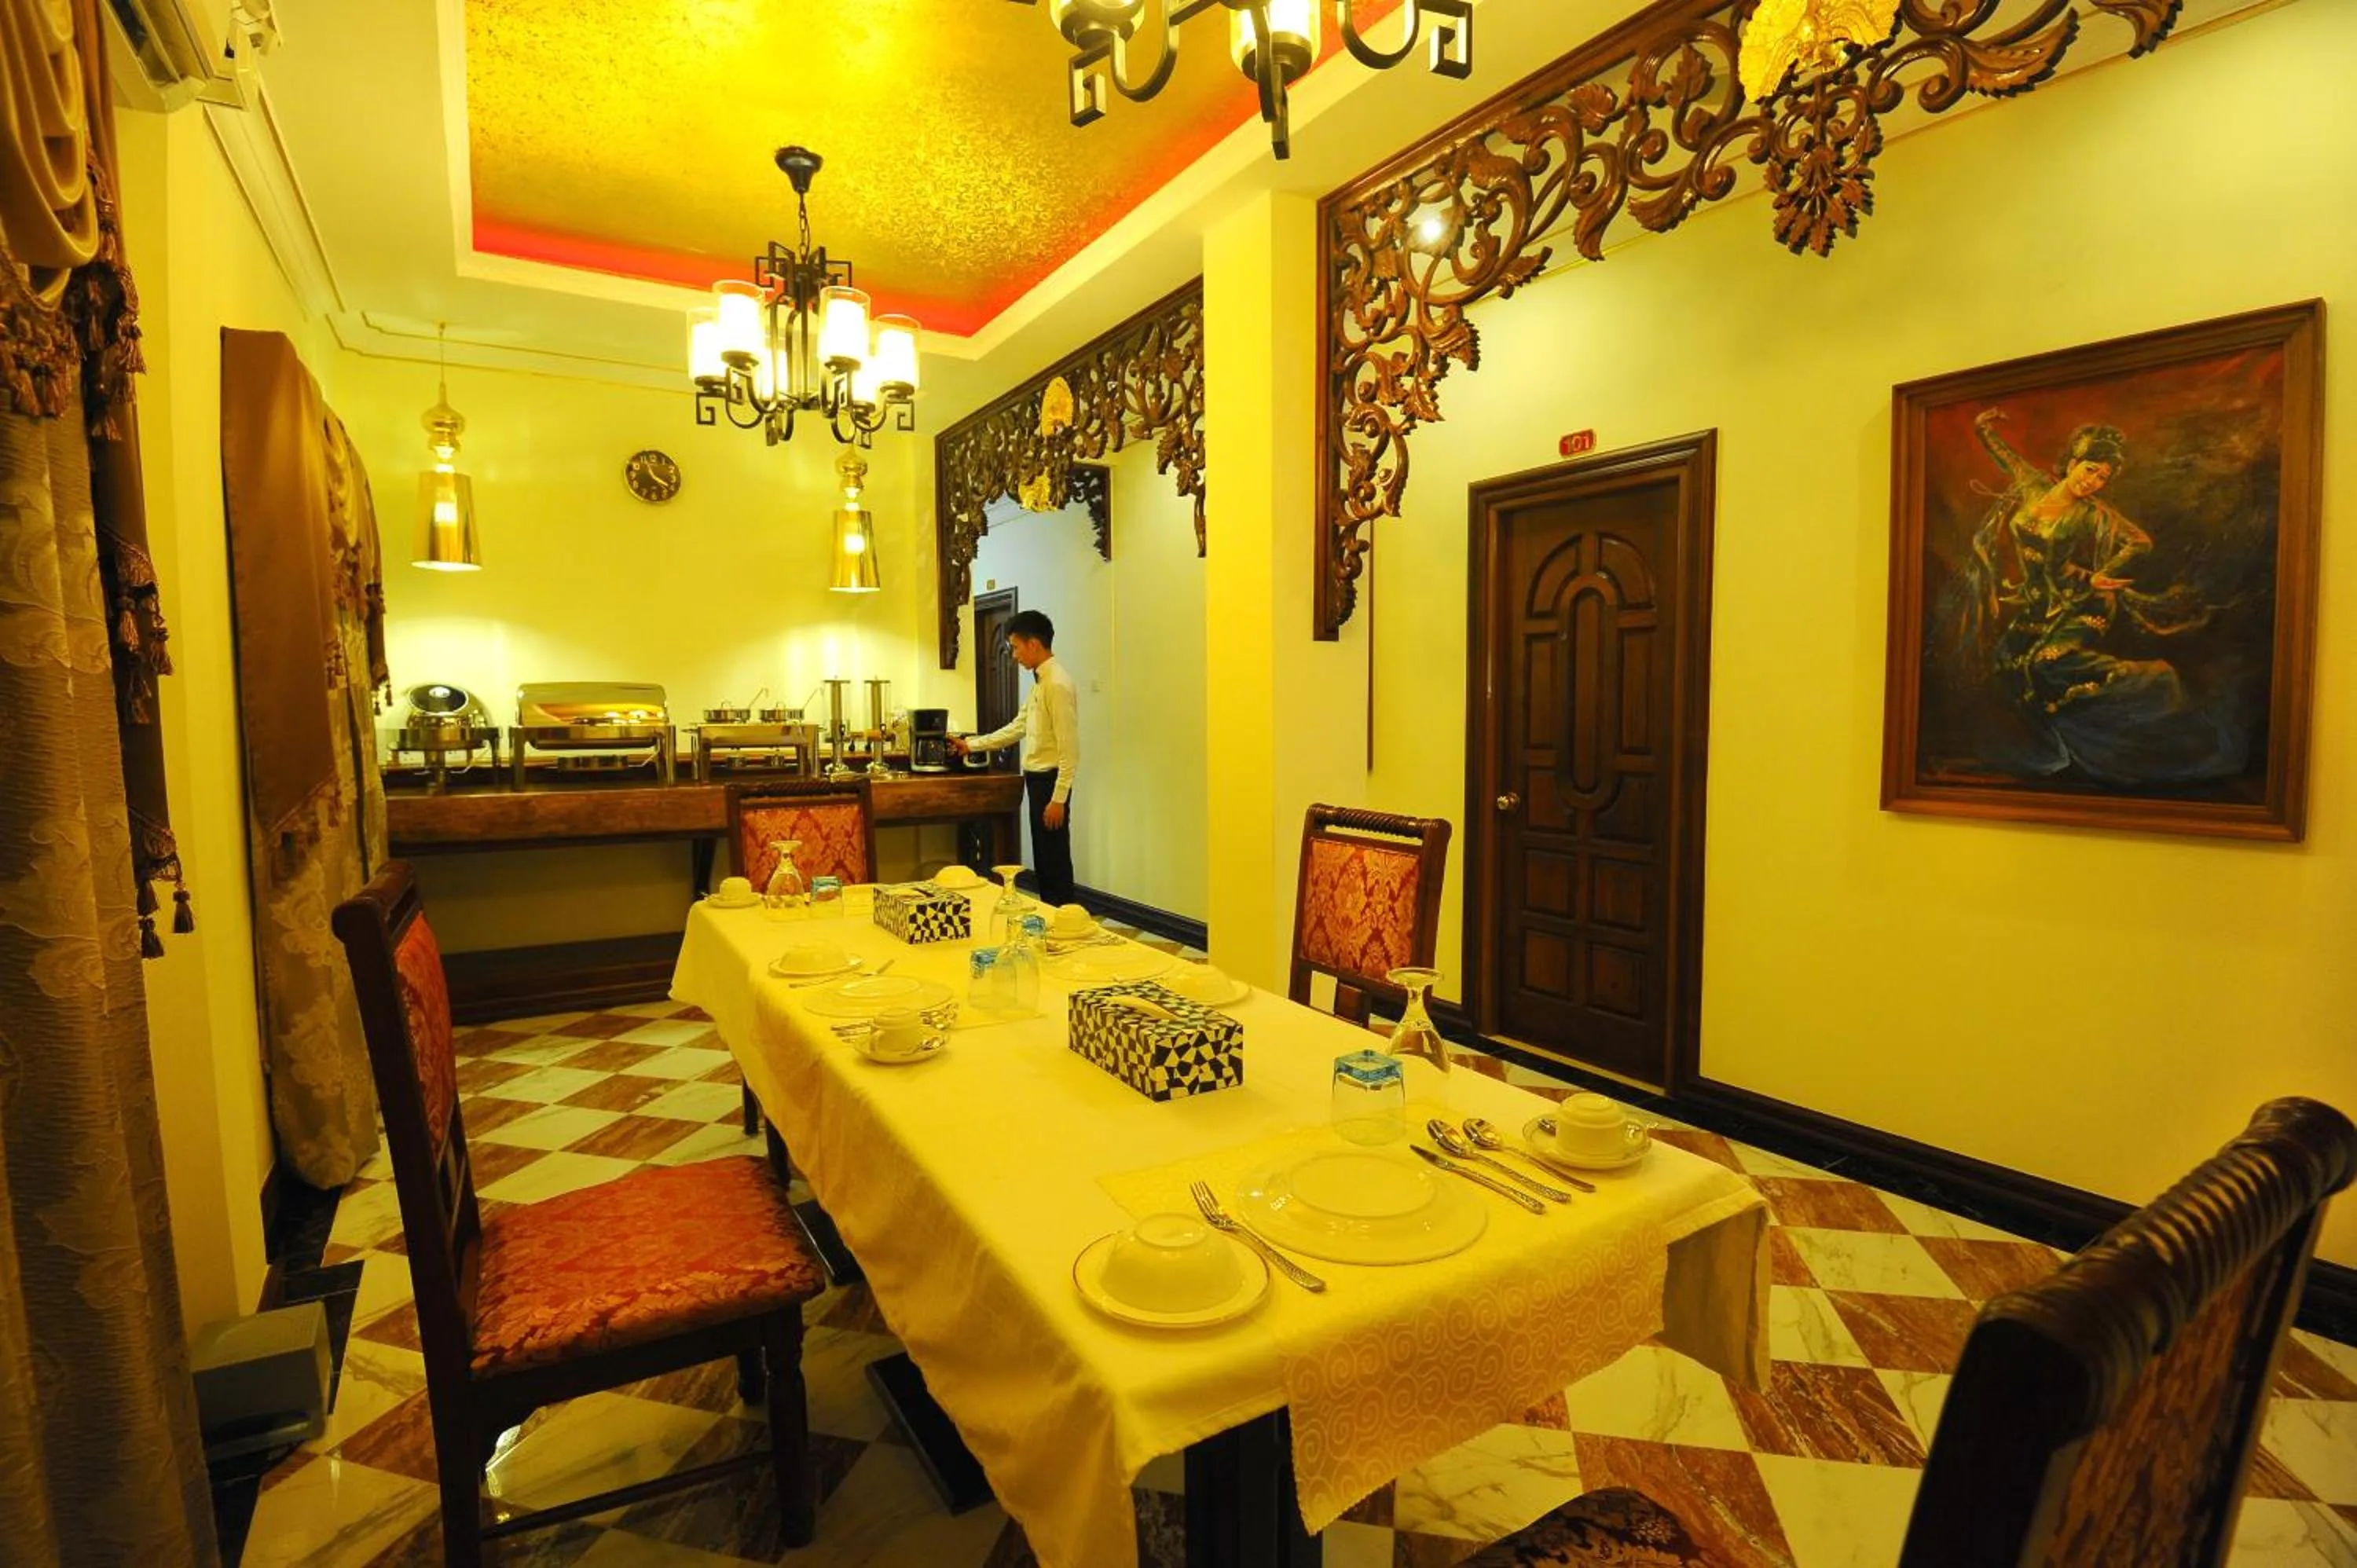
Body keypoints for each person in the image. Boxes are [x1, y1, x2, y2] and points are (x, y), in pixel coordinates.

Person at [1946, 410, 2238, 785]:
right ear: (2071, 463)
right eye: (2090, 469)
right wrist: (1982, 426)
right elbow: (2004, 455)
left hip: (2084, 601)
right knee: (2007, 663)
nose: (2094, 481)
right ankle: (2043, 756)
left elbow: (2140, 542)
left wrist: (2106, 574)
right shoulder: (2032, 484)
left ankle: (2156, 682)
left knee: (2049, 662)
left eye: (2103, 476)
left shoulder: (2093, 514)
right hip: (2038, 602)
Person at [951, 609, 1080, 905]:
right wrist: (972, 746)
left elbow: (1070, 749)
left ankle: (1065, 924)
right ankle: (1051, 921)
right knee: (1045, 860)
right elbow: (1018, 726)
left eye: (1016, 647)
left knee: (1055, 861)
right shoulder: (1040, 683)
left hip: (1050, 784)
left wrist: (1058, 799)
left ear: (1034, 644)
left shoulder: (1057, 684)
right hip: (1036, 782)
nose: (1014, 655)